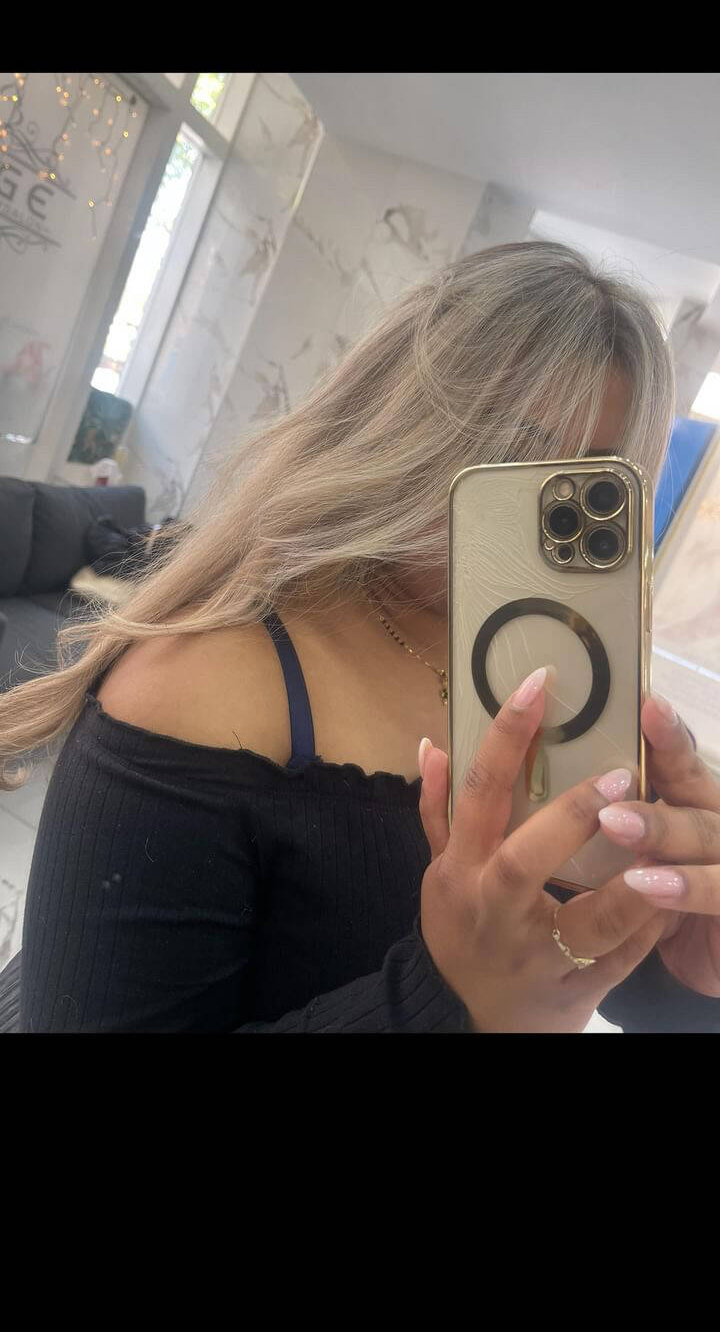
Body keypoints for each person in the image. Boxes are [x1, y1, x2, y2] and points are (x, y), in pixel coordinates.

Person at [1, 241, 719, 1033]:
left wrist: (683, 971)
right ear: (402, 426)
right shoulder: (198, 685)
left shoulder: (560, 680)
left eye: (593, 480)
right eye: (512, 453)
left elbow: (561, 948)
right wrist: (447, 1001)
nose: (542, 511)